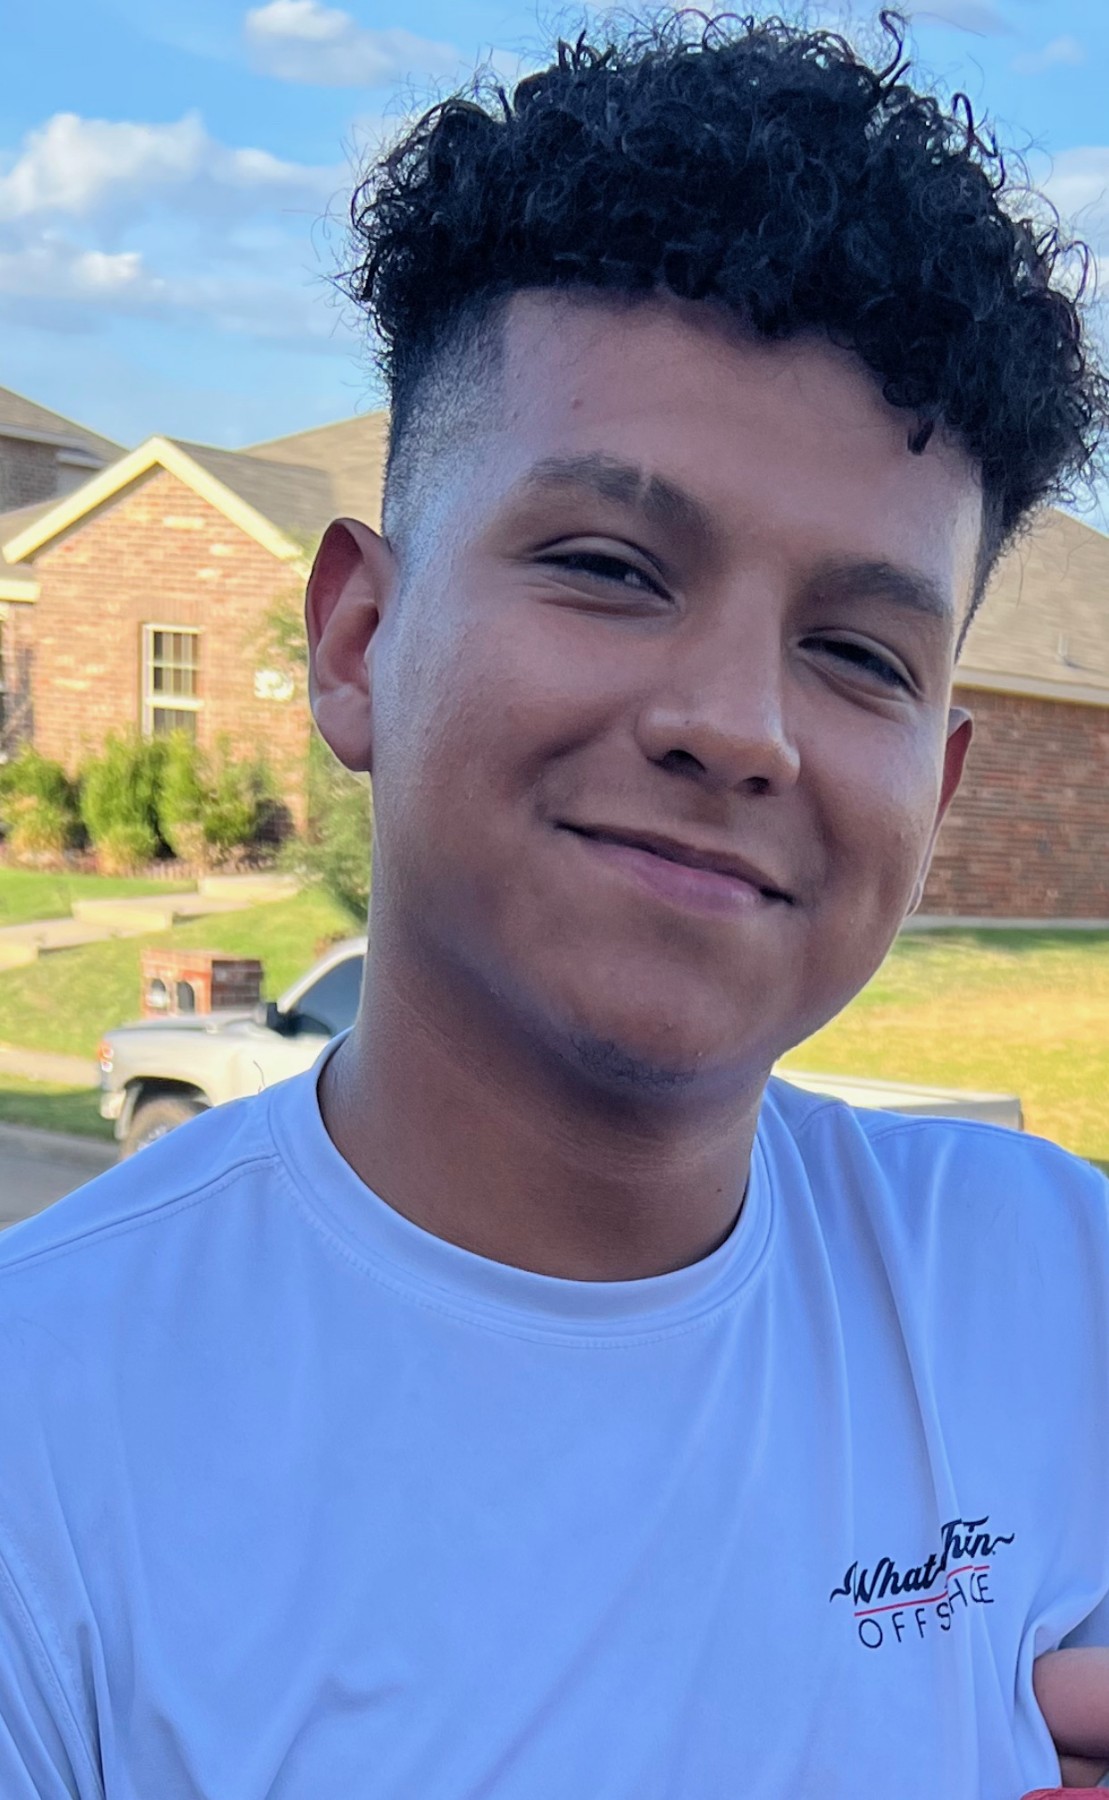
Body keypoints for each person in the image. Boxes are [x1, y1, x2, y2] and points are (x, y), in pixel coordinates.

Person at [0, 12, 1106, 1797]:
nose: (737, 726)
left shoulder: (1048, 1287)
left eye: (857, 652)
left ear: (942, 784)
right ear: (359, 642)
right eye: (608, 566)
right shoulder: (44, 1442)